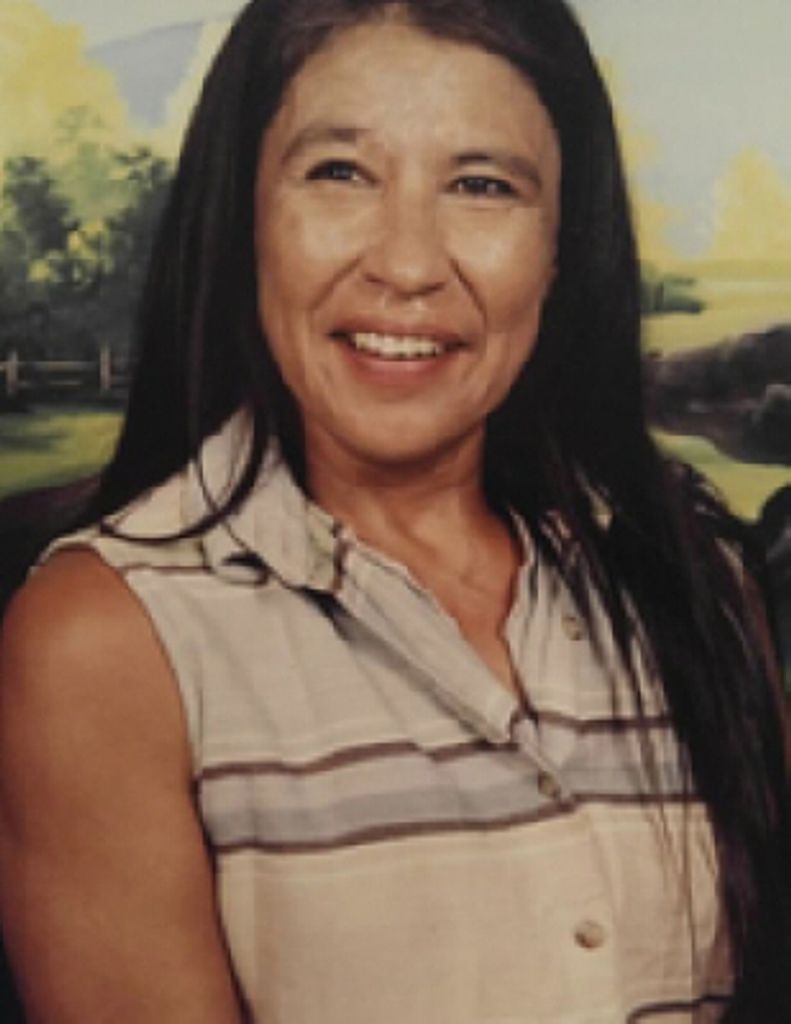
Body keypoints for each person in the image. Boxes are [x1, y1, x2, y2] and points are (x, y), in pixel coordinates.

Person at [0, 0, 788, 1020]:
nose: (407, 264)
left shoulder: (689, 582)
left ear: (559, 245)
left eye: (481, 185)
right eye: (339, 172)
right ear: (244, 219)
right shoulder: (110, 641)